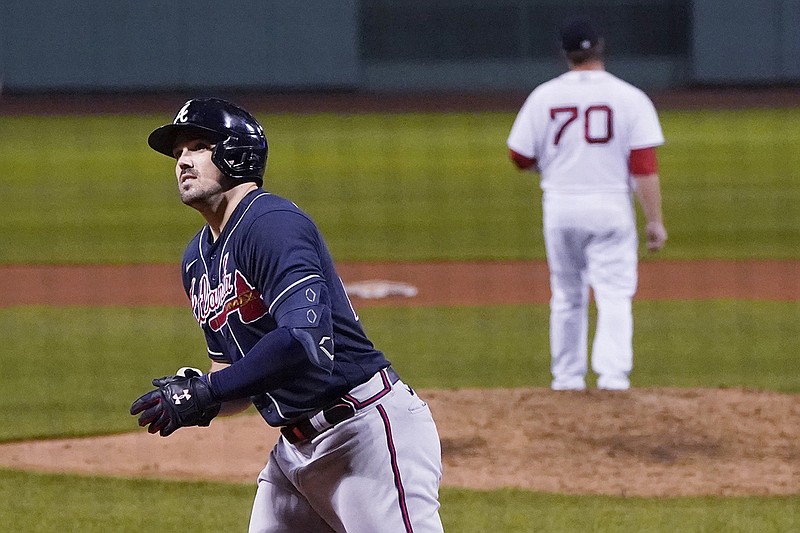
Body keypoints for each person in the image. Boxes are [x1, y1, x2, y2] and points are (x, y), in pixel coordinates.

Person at [129, 97, 444, 532]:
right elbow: (231, 372)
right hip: (294, 455)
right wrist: (201, 396)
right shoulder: (196, 259)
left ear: (236, 153)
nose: (182, 161)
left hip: (362, 433)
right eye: (178, 153)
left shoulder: (271, 222)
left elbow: (301, 342)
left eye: (198, 146)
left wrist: (208, 391)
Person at [506, 18, 667, 391]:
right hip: (612, 207)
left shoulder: (544, 95)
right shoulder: (629, 97)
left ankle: (567, 379)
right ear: (600, 47)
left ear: (565, 54)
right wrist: (655, 221)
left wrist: (554, 163)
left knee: (566, 294)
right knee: (614, 294)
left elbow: (519, 156)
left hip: (561, 207)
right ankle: (613, 379)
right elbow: (643, 165)